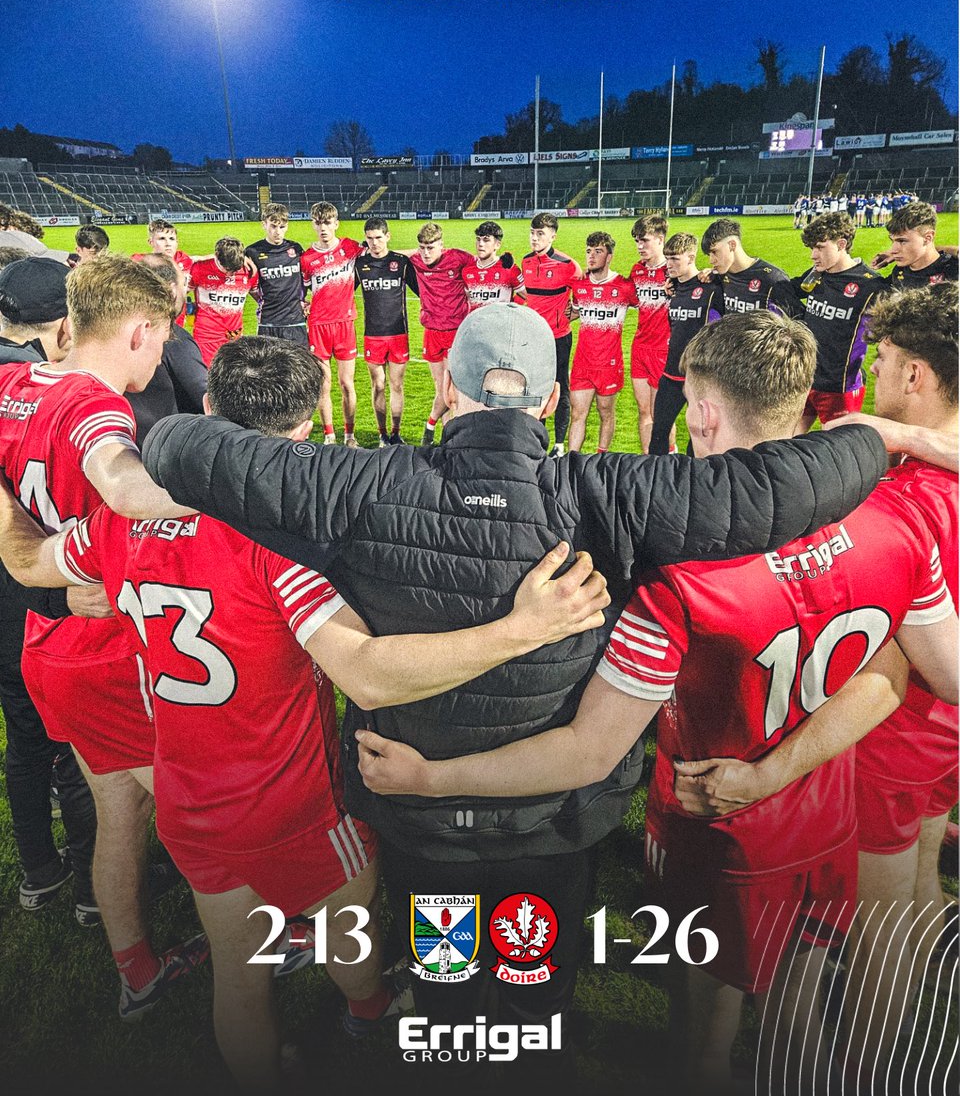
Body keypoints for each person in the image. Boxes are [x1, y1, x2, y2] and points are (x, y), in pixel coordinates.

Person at [141, 301, 889, 1048]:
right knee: (535, 994)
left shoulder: (358, 482)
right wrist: (883, 431)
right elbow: (786, 484)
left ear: (444, 389)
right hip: (550, 825)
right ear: (553, 400)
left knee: (446, 994)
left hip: (422, 818)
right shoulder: (612, 493)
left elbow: (176, 443)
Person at [355, 311, 958, 1094]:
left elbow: (591, 749)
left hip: (721, 828)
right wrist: (784, 771)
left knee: (704, 1034)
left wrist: (432, 777)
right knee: (797, 990)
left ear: (701, 413)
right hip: (825, 808)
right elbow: (899, 673)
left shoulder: (681, 577)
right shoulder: (889, 520)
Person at [0, 333, 610, 1090]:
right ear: (310, 428)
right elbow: (369, 675)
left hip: (189, 792)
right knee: (350, 936)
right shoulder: (288, 539)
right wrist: (519, 630)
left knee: (238, 969)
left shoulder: (118, 522)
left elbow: (27, 560)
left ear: (210, 406)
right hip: (294, 797)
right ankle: (369, 1011)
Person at [679, 283, 960, 1086]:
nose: (869, 371)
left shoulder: (899, 497)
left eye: (881, 359)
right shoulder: (929, 459)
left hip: (895, 732)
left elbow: (912, 663)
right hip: (942, 742)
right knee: (916, 881)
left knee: (878, 927)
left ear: (914, 374)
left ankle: (863, 1069)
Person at [0, 253, 206, 1018]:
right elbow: (120, 480)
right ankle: (268, 946)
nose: (159, 359)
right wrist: (225, 494)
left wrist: (33, 557)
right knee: (203, 814)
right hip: (116, 648)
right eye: (159, 342)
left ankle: (138, 972)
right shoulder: (96, 405)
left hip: (50, 646)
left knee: (119, 811)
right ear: (139, 330)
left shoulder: (16, 382)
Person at [0, 258, 99, 924]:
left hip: (11, 605)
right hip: (41, 595)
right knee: (78, 746)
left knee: (25, 742)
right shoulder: (56, 393)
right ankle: (97, 893)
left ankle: (38, 871)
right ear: (63, 327)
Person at [792, 211, 886, 430]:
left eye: (820, 247)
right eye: (811, 248)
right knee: (787, 440)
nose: (813, 255)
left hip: (839, 386)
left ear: (841, 244)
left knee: (838, 452)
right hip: (805, 377)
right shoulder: (817, 273)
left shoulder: (870, 286)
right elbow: (787, 289)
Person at [648, 232, 721, 455]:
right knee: (658, 434)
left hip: (699, 377)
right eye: (667, 258)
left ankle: (693, 483)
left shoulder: (711, 288)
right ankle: (655, 482)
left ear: (691, 257)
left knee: (698, 437)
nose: (668, 264)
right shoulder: (673, 288)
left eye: (675, 259)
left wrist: (715, 273)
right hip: (671, 374)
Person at [126, 254, 207, 445]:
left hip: (124, 443)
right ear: (171, 291)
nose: (185, 289)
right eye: (183, 283)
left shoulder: (114, 330)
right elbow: (207, 400)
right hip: (166, 450)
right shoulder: (173, 339)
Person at [404, 222, 473, 446]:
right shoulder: (415, 260)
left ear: (442, 246)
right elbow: (396, 253)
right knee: (440, 388)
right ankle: (446, 437)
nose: (425, 253)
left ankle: (436, 428)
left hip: (455, 331)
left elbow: (482, 265)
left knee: (453, 389)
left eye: (430, 248)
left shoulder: (459, 258)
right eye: (422, 247)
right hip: (431, 332)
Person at [299, 201, 362, 446]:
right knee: (323, 385)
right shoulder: (307, 258)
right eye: (318, 223)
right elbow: (302, 291)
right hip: (318, 326)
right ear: (313, 224)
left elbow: (380, 252)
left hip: (345, 323)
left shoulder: (350, 247)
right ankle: (329, 436)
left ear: (336, 223)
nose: (323, 228)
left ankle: (349, 435)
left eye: (327, 222)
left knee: (347, 383)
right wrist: (303, 304)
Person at [567, 231, 637, 453]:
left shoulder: (625, 287)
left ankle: (601, 457)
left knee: (606, 413)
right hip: (582, 364)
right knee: (577, 415)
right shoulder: (580, 287)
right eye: (589, 251)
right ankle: (571, 461)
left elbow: (648, 302)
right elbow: (573, 312)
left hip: (609, 364)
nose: (591, 256)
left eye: (598, 251)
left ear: (609, 257)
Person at [521, 212, 582, 457]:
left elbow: (582, 294)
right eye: (532, 233)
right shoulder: (526, 262)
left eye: (540, 234)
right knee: (535, 387)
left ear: (553, 236)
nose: (534, 239)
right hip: (533, 337)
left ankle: (558, 444)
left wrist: (573, 311)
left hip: (558, 337)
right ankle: (538, 438)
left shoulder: (568, 265)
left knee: (560, 386)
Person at [355, 217, 418, 447]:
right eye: (370, 239)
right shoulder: (359, 265)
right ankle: (382, 434)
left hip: (399, 333)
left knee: (397, 385)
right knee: (378, 385)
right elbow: (342, 291)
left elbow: (423, 290)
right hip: (372, 335)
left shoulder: (401, 263)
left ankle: (396, 432)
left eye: (379, 238)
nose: (374, 243)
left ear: (387, 236)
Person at [627, 214, 671, 453]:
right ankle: (647, 459)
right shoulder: (637, 271)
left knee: (661, 413)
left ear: (660, 239)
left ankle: (669, 458)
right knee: (644, 411)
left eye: (644, 240)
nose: (639, 246)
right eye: (637, 241)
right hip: (639, 348)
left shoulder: (673, 270)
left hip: (664, 349)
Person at [700, 218, 803, 318]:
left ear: (732, 245)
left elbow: (797, 322)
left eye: (714, 252)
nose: (711, 260)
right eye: (709, 254)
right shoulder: (719, 277)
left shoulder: (772, 279)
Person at [188, 236, 258, 367]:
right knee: (208, 378)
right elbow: (180, 293)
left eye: (234, 271)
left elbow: (259, 297)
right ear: (216, 255)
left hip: (234, 337)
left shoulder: (249, 271)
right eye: (227, 269)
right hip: (206, 337)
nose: (230, 275)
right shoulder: (200, 269)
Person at [244, 202, 308, 345]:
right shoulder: (252, 252)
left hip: (295, 321)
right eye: (273, 226)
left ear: (287, 226)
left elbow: (307, 277)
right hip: (268, 322)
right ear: (264, 224)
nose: (277, 231)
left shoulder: (296, 249)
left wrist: (304, 300)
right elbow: (246, 283)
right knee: (268, 367)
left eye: (282, 227)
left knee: (300, 366)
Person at [872, 200, 959, 287]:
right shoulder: (899, 271)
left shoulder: (954, 271)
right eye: (892, 240)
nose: (893, 250)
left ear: (928, 238)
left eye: (902, 241)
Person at [132, 219, 193, 325]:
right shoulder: (140, 261)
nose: (168, 243)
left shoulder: (184, 260)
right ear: (151, 242)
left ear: (177, 242)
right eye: (162, 239)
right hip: (152, 322)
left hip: (177, 324)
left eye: (171, 239)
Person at [461, 221, 525, 313]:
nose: (480, 244)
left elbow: (528, 297)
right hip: (475, 325)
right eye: (478, 239)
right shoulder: (467, 270)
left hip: (500, 325)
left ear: (497, 245)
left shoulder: (508, 268)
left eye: (486, 240)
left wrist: (511, 309)